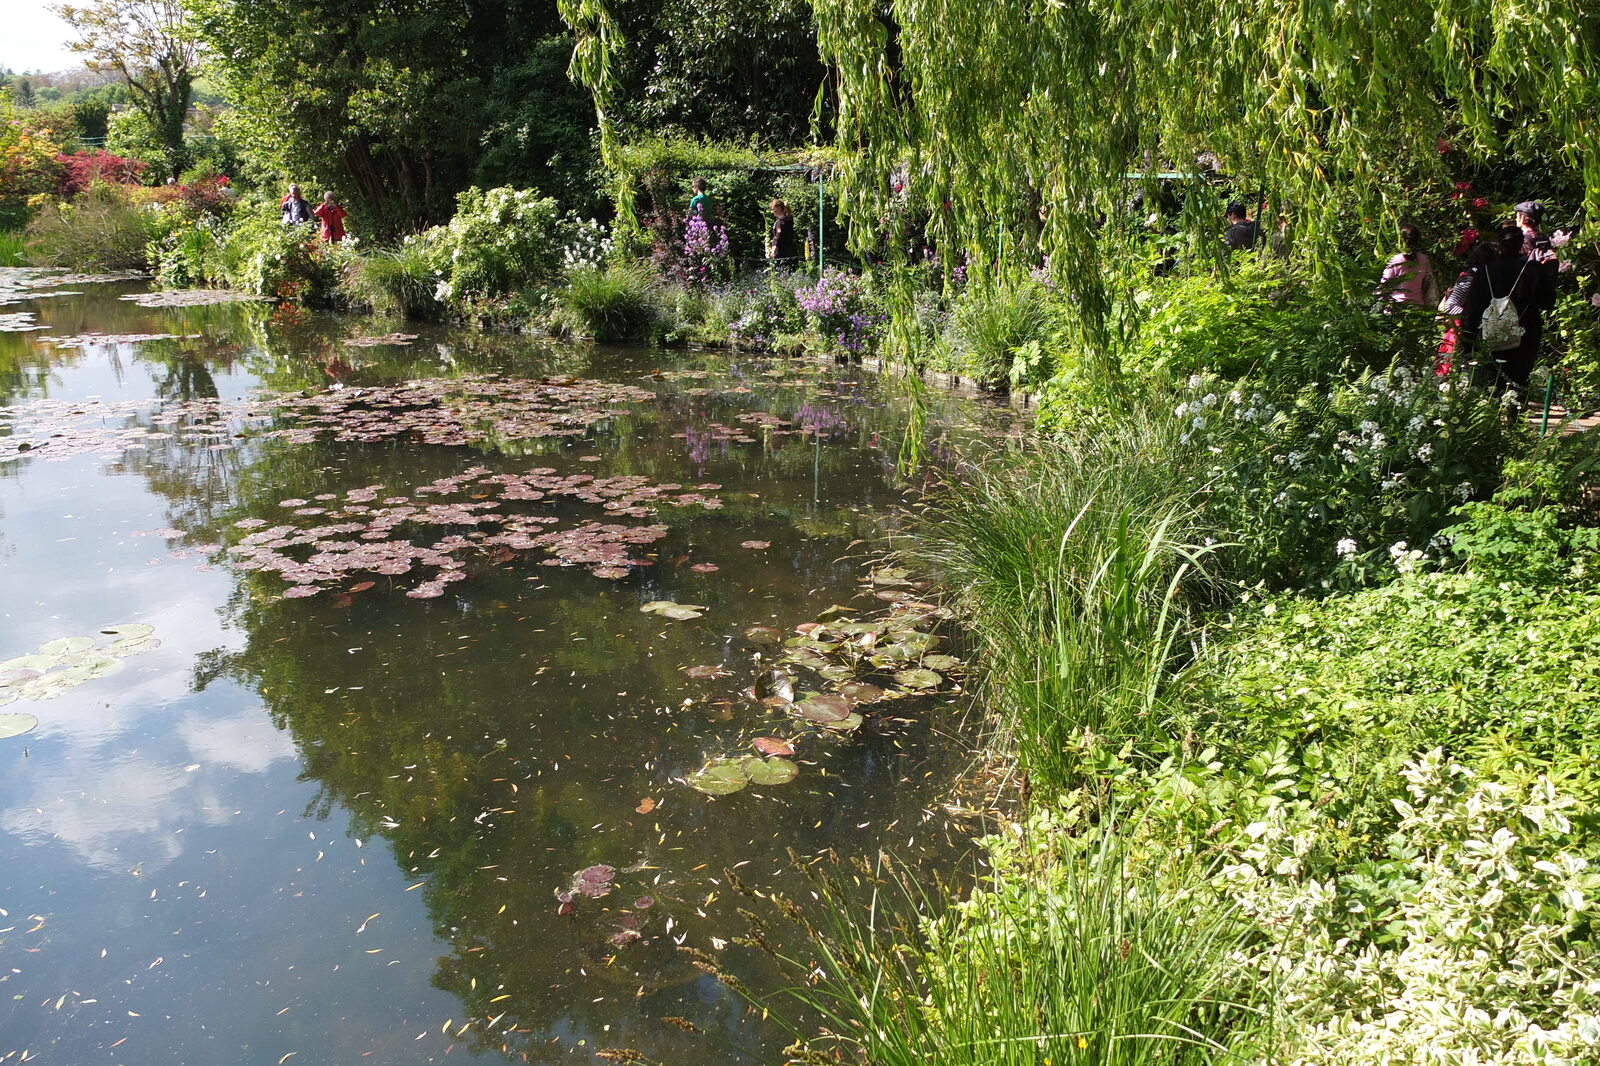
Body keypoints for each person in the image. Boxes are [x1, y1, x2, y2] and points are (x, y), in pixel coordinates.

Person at [1376, 222, 1439, 308]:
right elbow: (1426, 283)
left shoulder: (1395, 260)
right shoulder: (1424, 259)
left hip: (1396, 309)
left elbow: (1384, 286)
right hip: (1418, 308)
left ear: (1401, 240)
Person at [767, 199, 798, 265]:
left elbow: (779, 236)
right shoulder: (789, 219)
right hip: (790, 250)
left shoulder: (781, 222)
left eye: (773, 209)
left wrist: (774, 248)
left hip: (781, 251)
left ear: (778, 208)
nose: (772, 212)